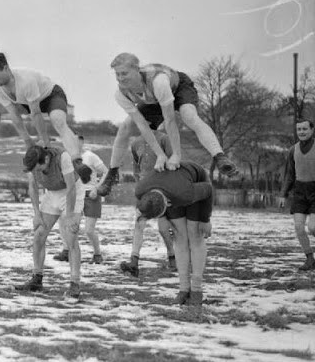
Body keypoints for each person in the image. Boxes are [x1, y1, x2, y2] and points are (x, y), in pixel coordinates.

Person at [99, 53, 237, 196]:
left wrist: (176, 155)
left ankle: (220, 156)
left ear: (136, 70)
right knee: (125, 127)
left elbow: (170, 120)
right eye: (117, 74)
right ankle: (112, 173)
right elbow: (142, 125)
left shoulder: (158, 82)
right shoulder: (121, 93)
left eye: (124, 73)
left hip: (178, 88)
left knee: (188, 115)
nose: (121, 78)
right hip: (153, 100)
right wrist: (160, 154)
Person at [0, 51, 81, 164]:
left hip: (50, 96)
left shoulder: (26, 81)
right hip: (25, 101)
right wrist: (28, 142)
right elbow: (14, 115)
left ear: (5, 68)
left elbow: (35, 114)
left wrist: (46, 143)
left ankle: (77, 160)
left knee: (58, 121)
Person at [135, 161, 213, 306]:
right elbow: (144, 208)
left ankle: (196, 290)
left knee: (194, 235)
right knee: (180, 237)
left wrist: (205, 219)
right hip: (170, 188)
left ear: (167, 202)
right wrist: (162, 218)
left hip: (195, 183)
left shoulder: (185, 192)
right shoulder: (140, 190)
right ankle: (183, 289)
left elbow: (208, 190)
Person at [15, 145, 85, 300]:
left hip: (72, 192)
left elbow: (71, 188)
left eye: (39, 169)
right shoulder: (32, 163)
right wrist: (36, 214)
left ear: (46, 159)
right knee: (39, 234)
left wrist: (72, 215)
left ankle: (75, 283)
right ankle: (37, 279)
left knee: (71, 236)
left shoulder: (63, 158)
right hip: (52, 193)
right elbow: (32, 187)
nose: (37, 172)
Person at [120, 126, 177, 277]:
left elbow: (173, 163)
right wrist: (140, 187)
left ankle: (173, 256)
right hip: (144, 192)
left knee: (163, 229)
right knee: (139, 224)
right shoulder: (136, 143)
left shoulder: (164, 138)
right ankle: (134, 261)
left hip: (162, 191)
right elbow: (136, 169)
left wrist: (170, 190)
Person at [53, 135, 108, 264]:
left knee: (88, 230)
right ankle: (66, 251)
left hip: (90, 195)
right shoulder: (65, 158)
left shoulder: (90, 156)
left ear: (81, 143)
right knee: (64, 221)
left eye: (75, 142)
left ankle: (97, 254)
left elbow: (106, 172)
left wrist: (97, 188)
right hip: (75, 195)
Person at [279, 118, 315, 271]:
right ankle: (310, 259)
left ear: (312, 130)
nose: (302, 132)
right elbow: (289, 175)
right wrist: (283, 194)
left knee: (313, 228)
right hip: (300, 192)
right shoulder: (293, 150)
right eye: (299, 129)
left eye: (305, 129)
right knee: (299, 228)